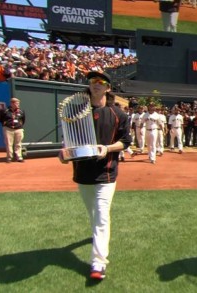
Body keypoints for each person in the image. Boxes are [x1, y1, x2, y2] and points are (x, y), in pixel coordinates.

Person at [58, 71, 132, 280]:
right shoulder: (75, 111)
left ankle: (98, 263)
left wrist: (107, 148)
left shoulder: (119, 114)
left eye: (101, 82)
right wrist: (64, 153)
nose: (96, 84)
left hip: (106, 173)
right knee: (93, 214)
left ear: (108, 88)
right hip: (82, 172)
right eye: (93, 81)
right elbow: (68, 140)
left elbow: (125, 142)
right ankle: (97, 240)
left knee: (101, 216)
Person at [0, 97, 26, 163]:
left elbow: (23, 120)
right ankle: (9, 158)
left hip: (18, 129)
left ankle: (19, 157)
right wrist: (4, 123)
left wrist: (19, 125)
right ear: (12, 103)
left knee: (18, 144)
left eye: (18, 103)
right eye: (16, 103)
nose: (18, 105)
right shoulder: (5, 110)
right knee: (9, 144)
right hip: (8, 129)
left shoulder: (21, 111)